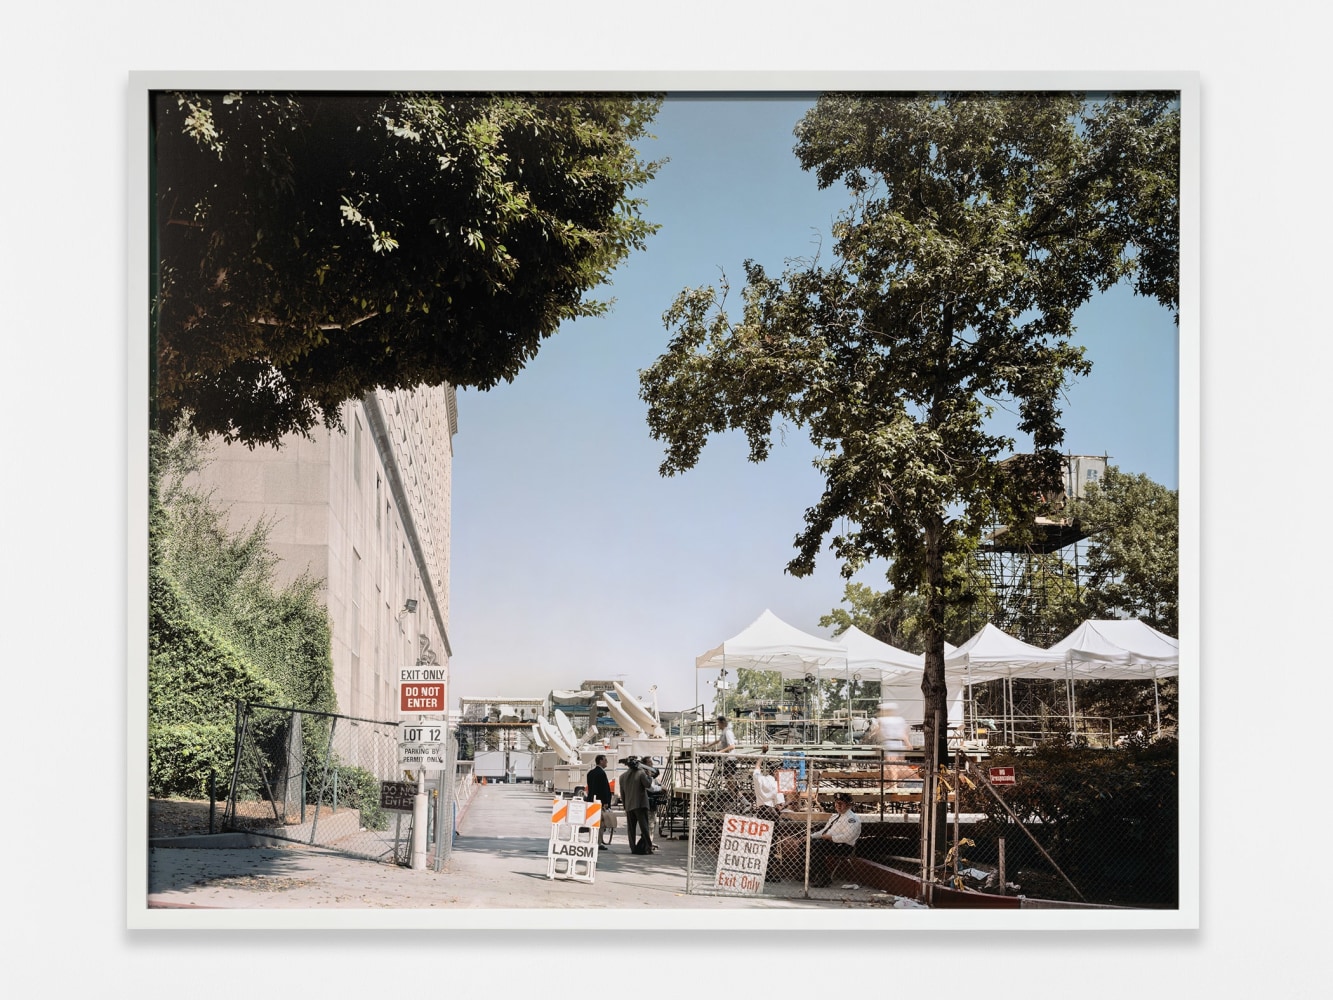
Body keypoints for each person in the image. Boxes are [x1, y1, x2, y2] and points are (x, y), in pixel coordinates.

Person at [809, 792, 862, 887]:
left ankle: (824, 878)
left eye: (841, 803)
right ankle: (812, 873)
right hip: (830, 843)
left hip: (844, 846)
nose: (838, 806)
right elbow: (824, 831)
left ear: (848, 805)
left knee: (816, 846)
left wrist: (831, 838)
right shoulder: (835, 816)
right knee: (807, 843)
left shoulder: (852, 819)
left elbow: (848, 837)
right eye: (836, 803)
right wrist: (811, 836)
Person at [619, 755, 660, 855]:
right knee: (644, 828)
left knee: (631, 829)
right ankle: (648, 847)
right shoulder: (640, 773)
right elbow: (648, 786)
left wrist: (625, 806)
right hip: (640, 805)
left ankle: (633, 848)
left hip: (629, 806)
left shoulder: (622, 777)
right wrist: (649, 776)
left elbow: (622, 793)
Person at [584, 754, 615, 848]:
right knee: (600, 824)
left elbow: (591, 788)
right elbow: (603, 790)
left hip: (591, 801)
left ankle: (592, 840)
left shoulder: (590, 773)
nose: (607, 762)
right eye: (605, 760)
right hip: (599, 802)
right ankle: (598, 842)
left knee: (592, 822)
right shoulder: (601, 773)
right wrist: (605, 802)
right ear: (601, 761)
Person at [750, 745, 785, 821]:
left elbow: (757, 766)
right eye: (781, 771)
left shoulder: (759, 779)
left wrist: (763, 752)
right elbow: (780, 805)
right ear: (775, 772)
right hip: (771, 813)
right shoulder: (776, 785)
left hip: (760, 812)